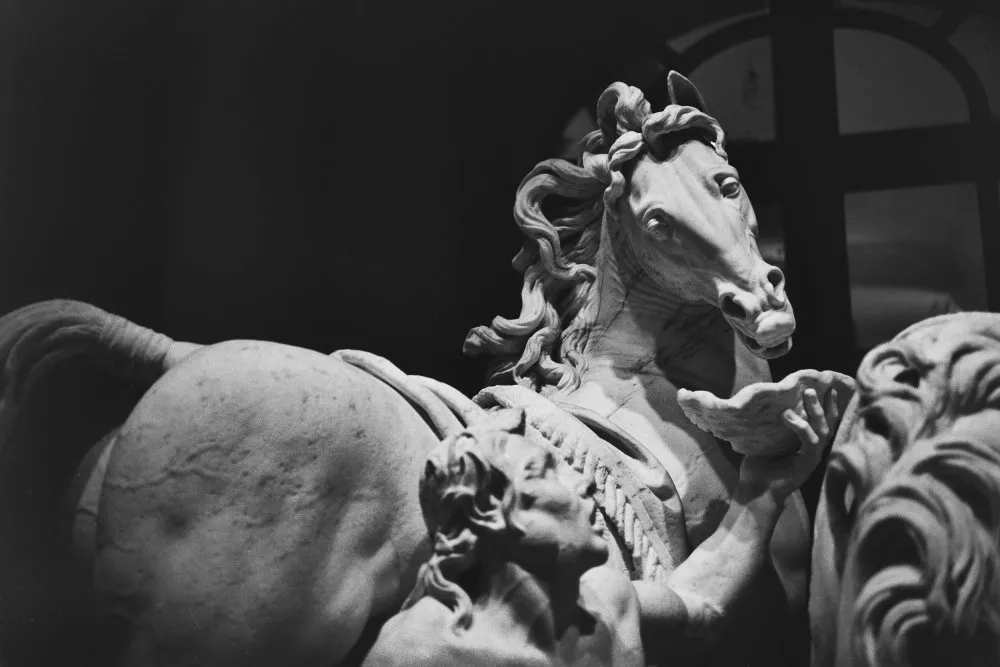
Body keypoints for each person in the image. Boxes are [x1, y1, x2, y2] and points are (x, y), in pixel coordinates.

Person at [362, 388, 840, 666]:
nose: (583, 484)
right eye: (545, 473)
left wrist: (763, 490)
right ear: (489, 511)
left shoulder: (605, 601)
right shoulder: (416, 653)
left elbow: (702, 602)